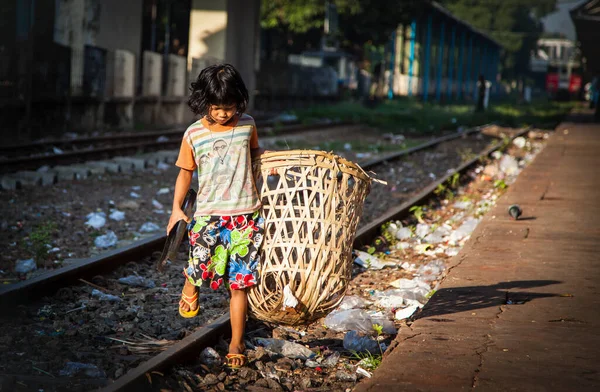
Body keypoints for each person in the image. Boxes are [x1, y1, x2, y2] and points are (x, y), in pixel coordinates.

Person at [167, 63, 266, 369]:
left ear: (240, 102)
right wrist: (176, 209)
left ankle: (237, 342)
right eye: (217, 108)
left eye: (230, 107)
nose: (224, 114)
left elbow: (255, 157)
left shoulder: (247, 125)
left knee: (239, 284)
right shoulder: (194, 134)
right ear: (203, 102)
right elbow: (185, 174)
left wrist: (269, 165)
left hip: (246, 216)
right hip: (208, 215)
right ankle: (190, 284)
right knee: (199, 263)